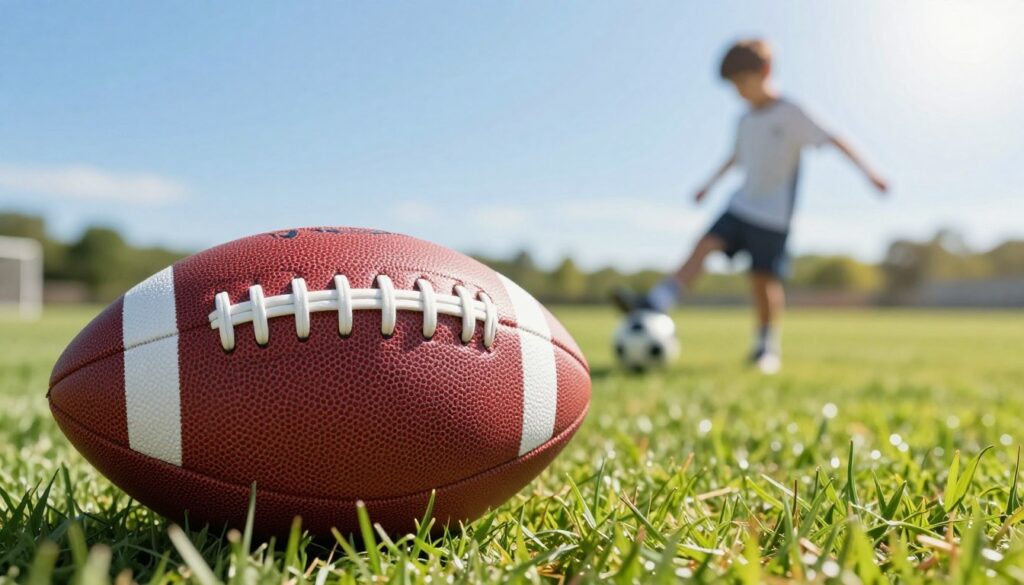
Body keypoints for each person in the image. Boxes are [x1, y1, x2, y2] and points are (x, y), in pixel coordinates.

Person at [616, 38, 888, 374]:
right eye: (733, 86)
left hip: (773, 217)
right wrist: (708, 184)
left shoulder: (791, 113)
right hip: (741, 206)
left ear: (765, 72)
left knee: (762, 282)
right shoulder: (744, 121)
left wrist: (870, 173)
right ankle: (657, 302)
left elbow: (834, 139)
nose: (738, 92)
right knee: (704, 245)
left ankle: (765, 347)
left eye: (742, 83)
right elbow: (735, 157)